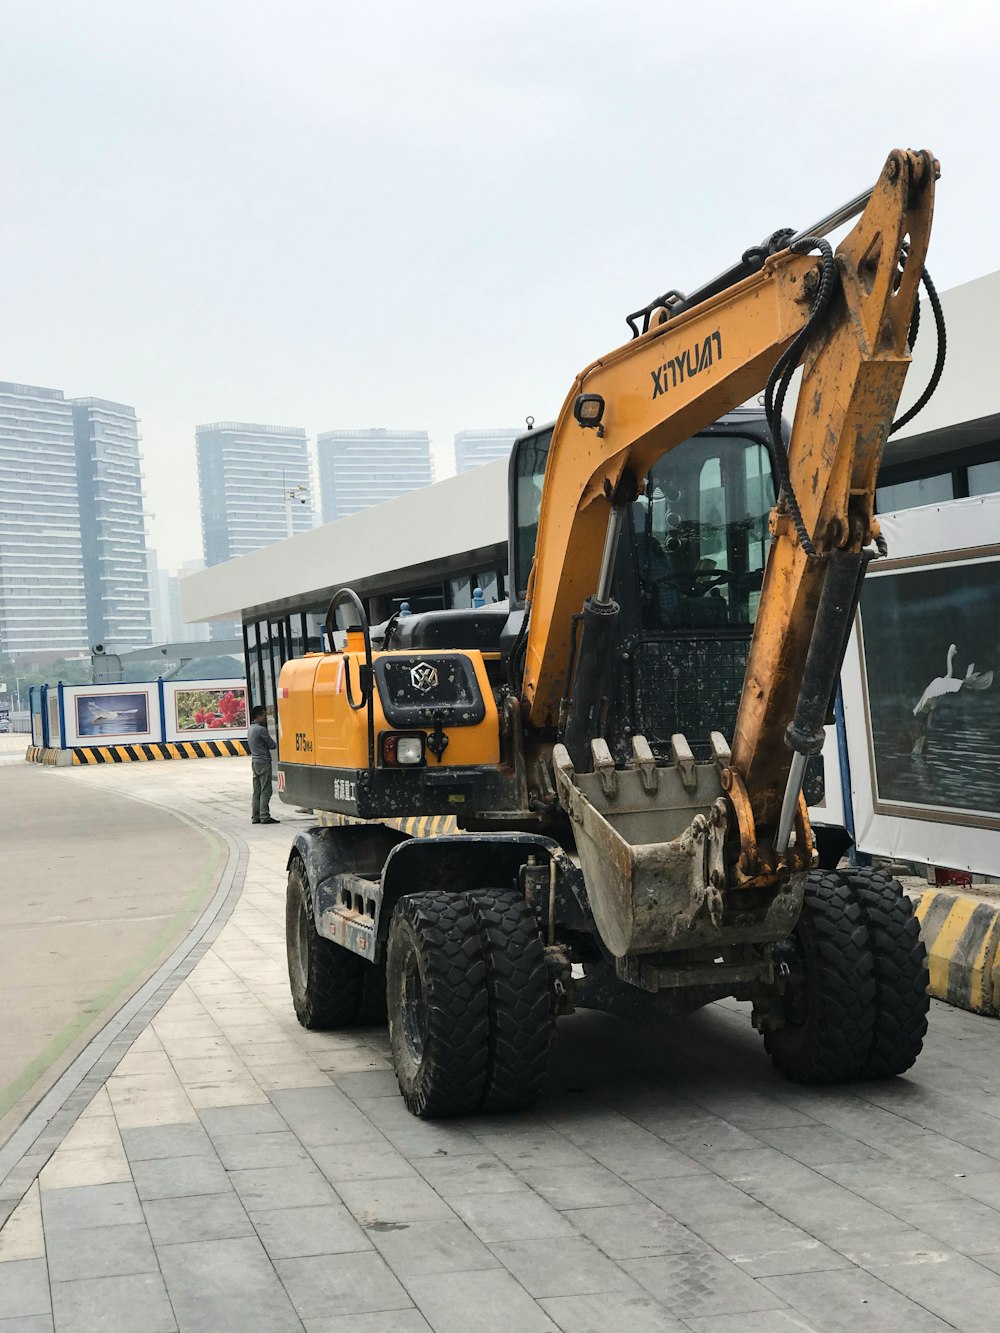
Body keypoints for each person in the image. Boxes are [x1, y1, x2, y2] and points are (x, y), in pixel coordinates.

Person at [248, 705, 280, 825]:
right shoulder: (261, 730)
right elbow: (272, 745)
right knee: (266, 790)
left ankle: (255, 816)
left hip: (255, 762)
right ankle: (265, 816)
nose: (265, 718)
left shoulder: (251, 729)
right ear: (258, 716)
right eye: (264, 715)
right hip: (263, 762)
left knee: (256, 790)